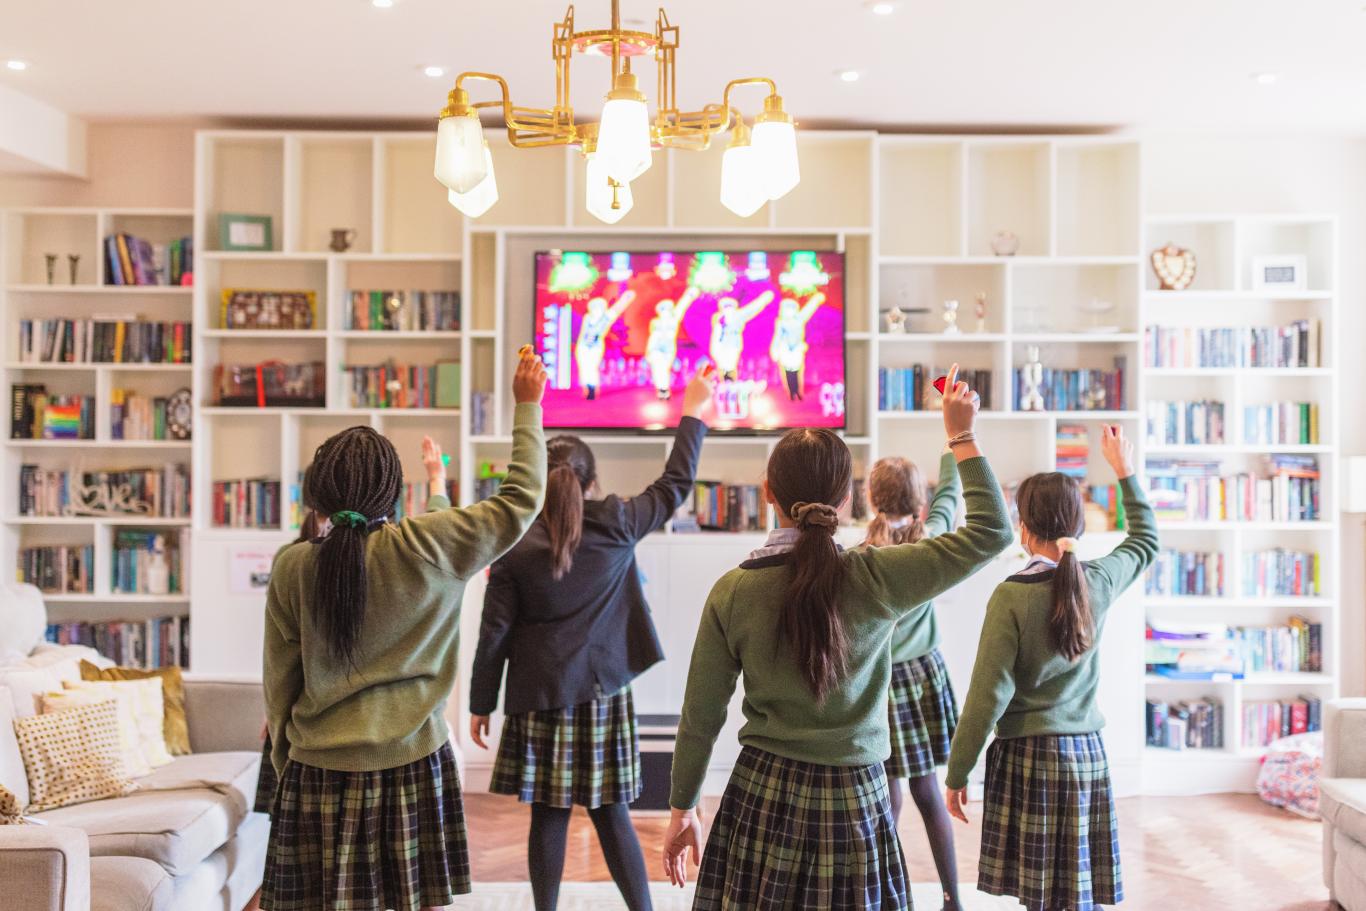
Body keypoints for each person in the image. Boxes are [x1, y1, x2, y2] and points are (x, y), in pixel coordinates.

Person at [664, 365, 1014, 910]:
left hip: (763, 794)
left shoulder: (732, 590)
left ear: (767, 494)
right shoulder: (878, 576)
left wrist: (683, 807)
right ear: (846, 501)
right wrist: (960, 436)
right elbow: (993, 531)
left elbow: (700, 715)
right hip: (855, 797)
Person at [259, 348, 549, 911]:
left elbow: (280, 685)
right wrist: (527, 407)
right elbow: (521, 499)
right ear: (394, 494)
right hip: (414, 761)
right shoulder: (430, 546)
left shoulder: (292, 565)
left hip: (317, 768)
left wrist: (285, 770)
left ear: (317, 495)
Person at [469, 366, 718, 911]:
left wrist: (480, 702)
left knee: (549, 815)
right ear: (591, 480)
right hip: (605, 692)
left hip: (540, 697)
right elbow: (674, 486)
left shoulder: (515, 540)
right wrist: (693, 409)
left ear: (537, 476)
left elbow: (495, 631)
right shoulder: (619, 519)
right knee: (612, 814)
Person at [944, 425, 1158, 911]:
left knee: (1040, 894)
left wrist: (959, 773)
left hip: (1027, 760)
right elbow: (1146, 539)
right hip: (1086, 757)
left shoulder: (1011, 595)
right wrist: (1124, 470)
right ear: (1078, 525)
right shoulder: (1099, 578)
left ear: (1022, 528)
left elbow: (986, 695)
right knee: (1078, 889)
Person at [862, 448, 966, 911]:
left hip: (881, 679)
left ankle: (888, 898)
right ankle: (952, 899)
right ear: (920, 503)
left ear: (871, 500)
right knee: (928, 788)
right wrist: (952, 445)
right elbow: (951, 494)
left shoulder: (863, 554)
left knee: (886, 791)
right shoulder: (935, 537)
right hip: (924, 675)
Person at [576, 290, 636, 400]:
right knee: (584, 367)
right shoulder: (588, 318)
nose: (597, 309)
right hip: (583, 346)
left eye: (599, 307)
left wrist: (625, 298)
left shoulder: (606, 317)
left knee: (592, 366)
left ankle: (592, 390)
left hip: (595, 346)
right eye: (595, 307)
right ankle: (587, 388)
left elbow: (617, 309)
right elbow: (583, 333)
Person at [644, 286, 701, 400]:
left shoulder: (674, 320)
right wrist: (648, 351)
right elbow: (652, 338)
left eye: (668, 309)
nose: (666, 311)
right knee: (657, 367)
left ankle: (664, 388)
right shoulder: (655, 322)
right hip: (656, 348)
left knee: (664, 368)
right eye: (663, 309)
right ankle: (661, 389)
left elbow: (682, 306)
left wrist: (690, 294)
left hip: (668, 348)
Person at [769, 291, 825, 401]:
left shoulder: (799, 319)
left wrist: (816, 299)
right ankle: (792, 393)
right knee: (789, 373)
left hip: (796, 351)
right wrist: (775, 349)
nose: (789, 311)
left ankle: (797, 392)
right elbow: (777, 336)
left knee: (795, 372)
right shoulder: (781, 322)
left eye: (791, 309)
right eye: (787, 309)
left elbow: (809, 309)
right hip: (786, 351)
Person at [709, 289, 774, 381]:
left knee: (728, 368)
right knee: (724, 367)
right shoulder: (719, 318)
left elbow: (752, 309)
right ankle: (724, 386)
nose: (728, 309)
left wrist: (763, 299)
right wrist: (764, 299)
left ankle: (728, 387)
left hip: (730, 346)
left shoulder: (735, 316)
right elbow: (751, 309)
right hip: (722, 346)